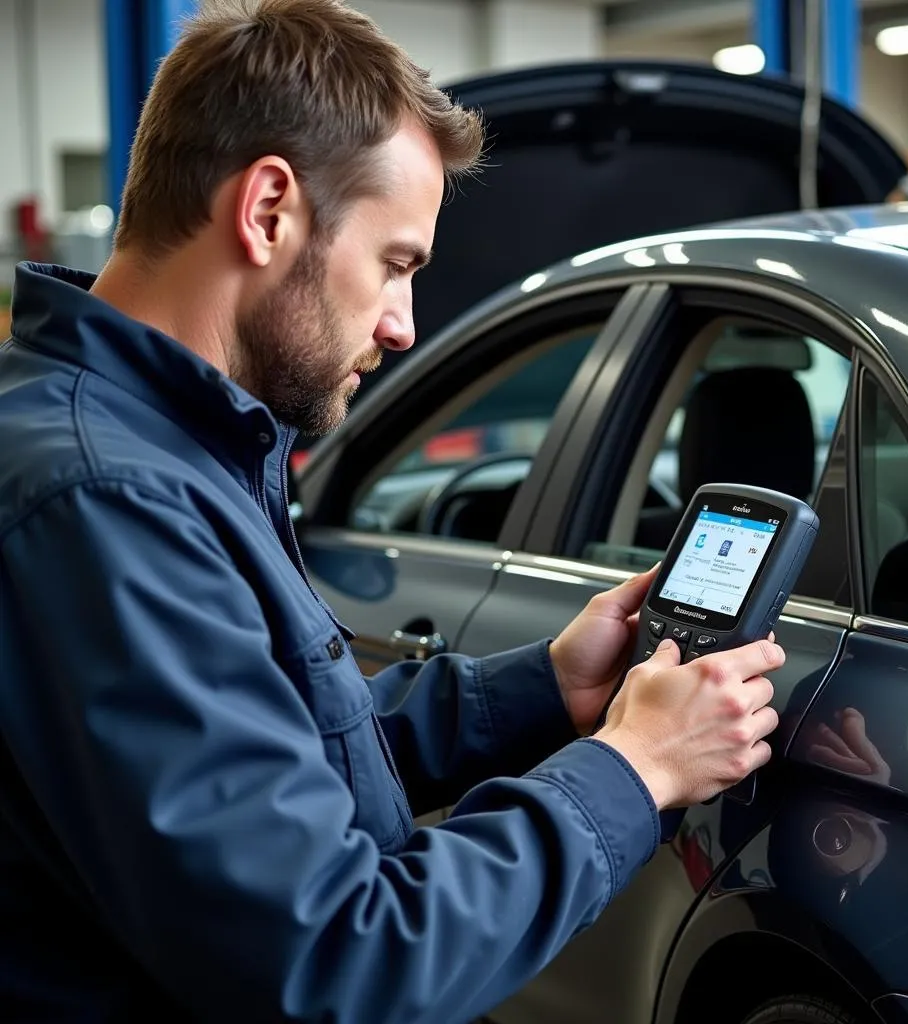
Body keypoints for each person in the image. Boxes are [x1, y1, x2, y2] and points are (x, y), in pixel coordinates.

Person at [0, 2, 783, 1021]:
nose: (404, 324)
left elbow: (281, 763)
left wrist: (544, 687)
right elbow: (334, 958)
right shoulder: (110, 499)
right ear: (269, 208)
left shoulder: (157, 453)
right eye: (397, 264)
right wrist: (631, 773)